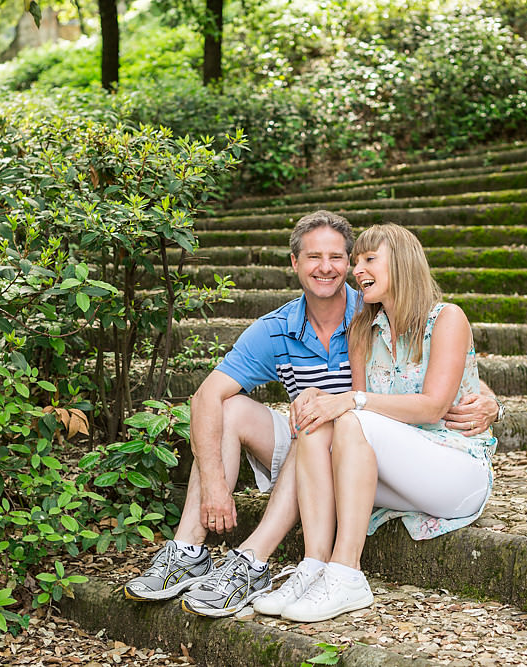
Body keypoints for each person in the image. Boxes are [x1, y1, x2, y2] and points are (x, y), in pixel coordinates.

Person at [123, 213, 501, 618]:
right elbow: (207, 397)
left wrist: (494, 405)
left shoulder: (387, 310)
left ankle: (280, 562)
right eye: (317, 257)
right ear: (294, 263)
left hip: (411, 451)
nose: (341, 268)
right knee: (261, 413)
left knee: (335, 420)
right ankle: (207, 553)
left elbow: (437, 390)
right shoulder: (334, 326)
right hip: (345, 447)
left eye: (345, 258)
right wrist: (217, 482)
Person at [259, 223, 498, 623]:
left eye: (369, 259)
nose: (357, 270)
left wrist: (350, 401)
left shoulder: (446, 319)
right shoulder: (362, 333)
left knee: (351, 417)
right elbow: (359, 419)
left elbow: (433, 406)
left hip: (458, 472)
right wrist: (321, 401)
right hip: (400, 478)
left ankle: (347, 571)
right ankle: (315, 564)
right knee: (316, 426)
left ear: (402, 265)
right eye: (356, 262)